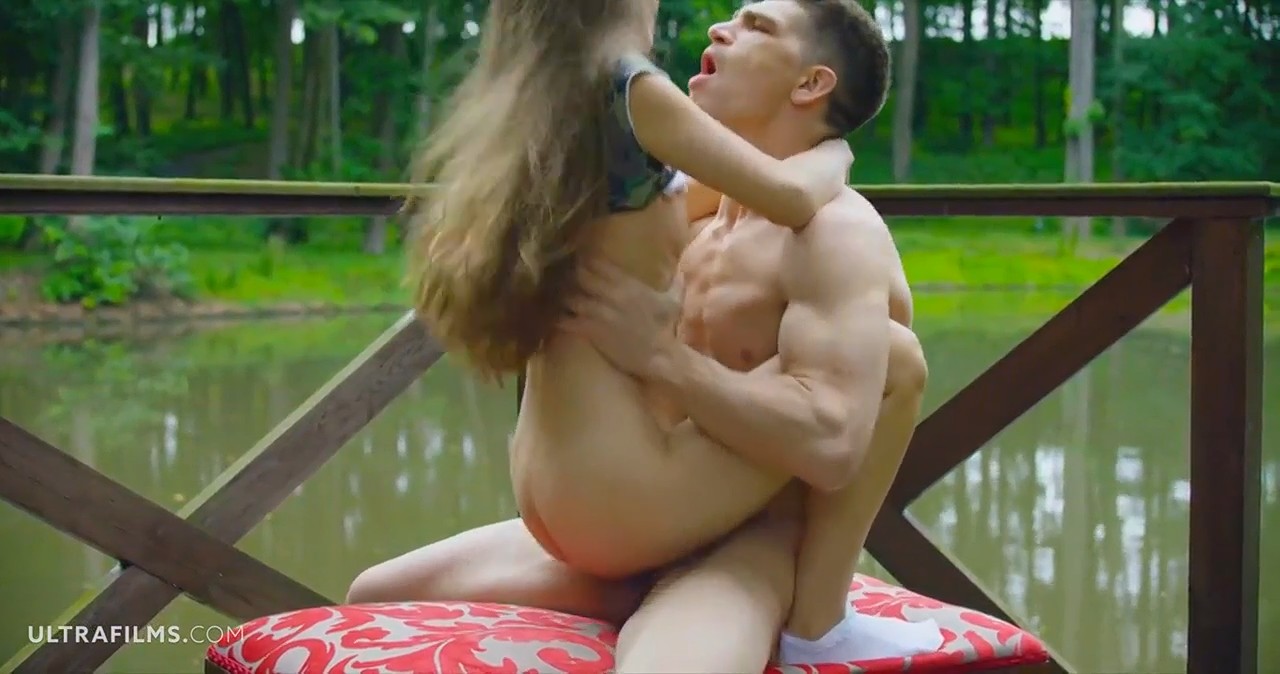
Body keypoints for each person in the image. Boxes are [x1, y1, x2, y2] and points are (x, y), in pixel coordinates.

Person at [350, 0, 943, 669]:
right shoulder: (692, 202)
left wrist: (663, 358)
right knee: (374, 594)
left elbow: (833, 442)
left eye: (757, 26)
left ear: (811, 84)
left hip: (737, 536)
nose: (719, 28)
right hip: (640, 523)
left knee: (895, 356)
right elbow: (775, 188)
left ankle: (816, 621)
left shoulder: (837, 232)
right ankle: (659, 587)